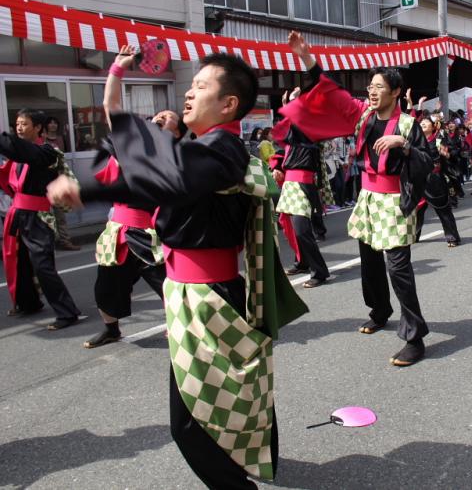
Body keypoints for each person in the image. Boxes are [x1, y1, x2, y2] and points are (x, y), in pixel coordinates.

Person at [48, 52, 308, 487]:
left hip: (209, 297)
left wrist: (86, 187)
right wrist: (116, 73)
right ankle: (258, 459)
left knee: (191, 423)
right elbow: (145, 153)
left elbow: (170, 180)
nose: (188, 92)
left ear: (228, 105)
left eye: (201, 86)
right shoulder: (198, 147)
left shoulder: (221, 148)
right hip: (194, 291)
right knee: (232, 392)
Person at [280, 31, 432, 367]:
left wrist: (402, 145)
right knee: (370, 260)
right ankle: (380, 311)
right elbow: (332, 94)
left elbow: (427, 160)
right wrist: (308, 59)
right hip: (367, 197)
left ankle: (415, 336)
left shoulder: (407, 124)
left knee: (399, 269)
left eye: (380, 87)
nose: (373, 92)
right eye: (371, 87)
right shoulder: (362, 115)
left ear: (395, 92)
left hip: (393, 200)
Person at [83, 44, 168, 348]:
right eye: (156, 117)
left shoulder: (178, 158)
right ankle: (111, 328)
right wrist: (117, 68)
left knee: (171, 284)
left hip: (150, 232)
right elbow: (111, 105)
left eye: (167, 119)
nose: (159, 119)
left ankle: (183, 322)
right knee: (106, 284)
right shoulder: (131, 147)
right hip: (118, 229)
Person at [0, 108, 83, 329]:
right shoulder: (19, 155)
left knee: (43, 266)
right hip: (18, 213)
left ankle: (67, 312)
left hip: (39, 216)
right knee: (20, 262)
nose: (19, 127)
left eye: (24, 123)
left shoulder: (47, 152)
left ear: (38, 128)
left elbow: (22, 151)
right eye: (17, 123)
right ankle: (29, 303)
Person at [270, 88, 331, 289]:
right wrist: (276, 167)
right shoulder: (291, 133)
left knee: (302, 229)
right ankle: (302, 262)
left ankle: (319, 271)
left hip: (303, 182)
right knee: (291, 228)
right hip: (289, 182)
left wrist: (294, 102)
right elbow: (279, 150)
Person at [416, 117, 461, 247]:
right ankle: (414, 235)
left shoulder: (439, 141)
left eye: (426, 122)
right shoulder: (415, 141)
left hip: (435, 180)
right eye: (421, 122)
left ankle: (452, 237)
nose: (423, 123)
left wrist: (447, 155)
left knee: (443, 211)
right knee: (417, 210)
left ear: (433, 126)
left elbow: (453, 153)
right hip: (419, 180)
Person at [43, 116, 81, 251]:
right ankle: (48, 242)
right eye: (50, 123)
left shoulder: (60, 139)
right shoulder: (41, 141)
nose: (52, 125)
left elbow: (66, 154)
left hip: (57, 180)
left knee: (60, 215)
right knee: (45, 216)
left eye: (55, 122)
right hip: (43, 183)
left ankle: (64, 241)